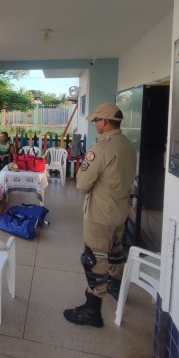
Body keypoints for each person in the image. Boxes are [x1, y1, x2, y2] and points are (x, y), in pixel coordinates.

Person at [63, 103, 136, 328]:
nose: (95, 125)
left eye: (96, 121)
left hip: (100, 213)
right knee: (115, 252)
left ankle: (92, 310)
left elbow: (83, 183)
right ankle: (115, 285)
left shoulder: (101, 148)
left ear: (104, 122)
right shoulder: (127, 145)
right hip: (120, 210)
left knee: (94, 259)